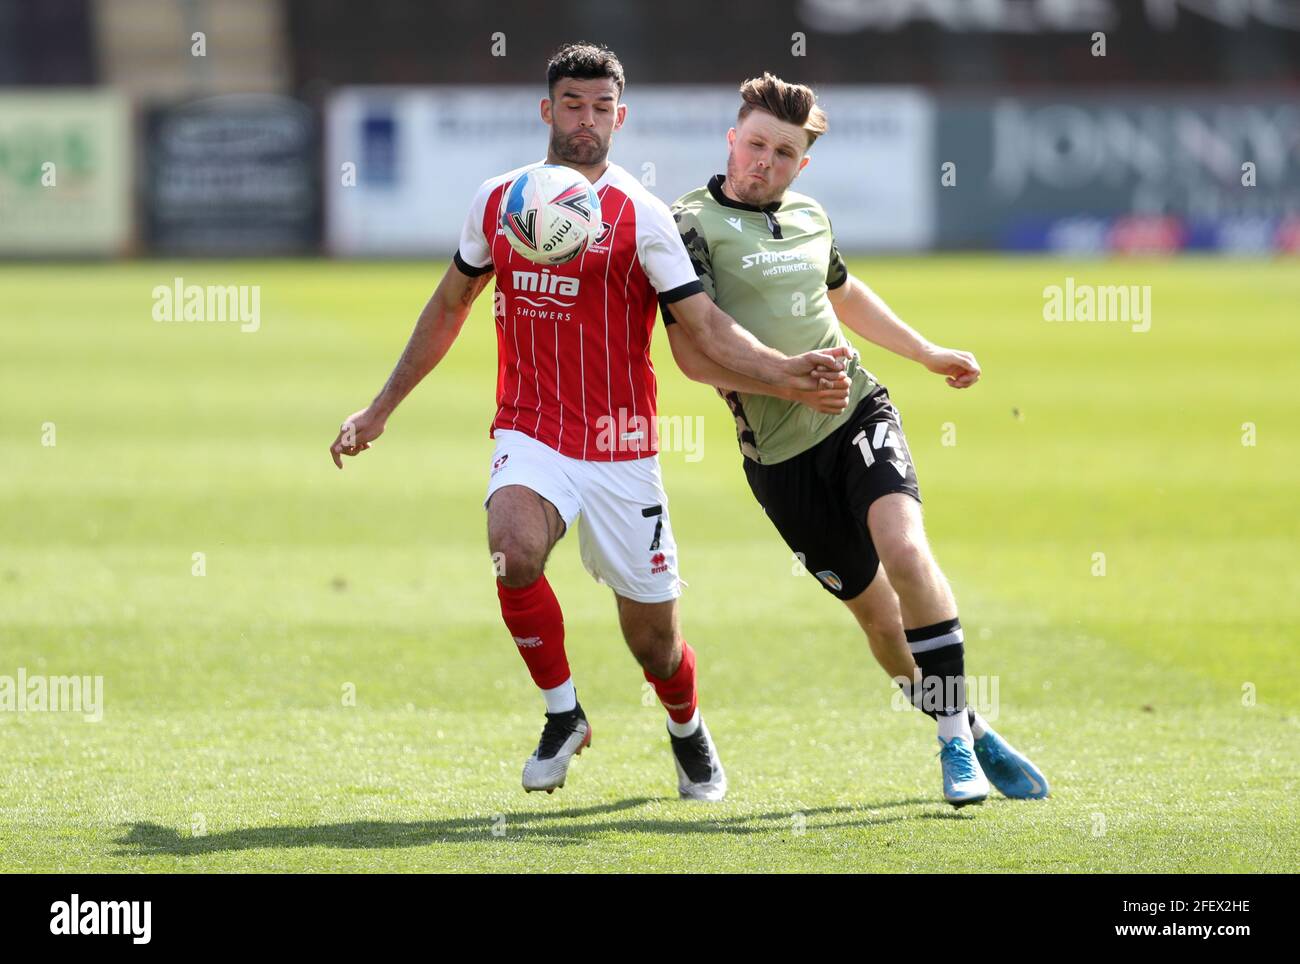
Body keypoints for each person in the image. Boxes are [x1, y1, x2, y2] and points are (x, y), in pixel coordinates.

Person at [328, 48, 849, 801]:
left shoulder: (642, 215)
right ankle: (563, 713)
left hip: (620, 447)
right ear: (547, 111)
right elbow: (449, 306)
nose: (586, 120)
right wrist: (379, 410)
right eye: (572, 104)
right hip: (530, 429)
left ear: (621, 117)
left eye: (601, 107)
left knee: (656, 644)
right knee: (512, 550)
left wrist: (786, 373)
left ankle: (685, 728)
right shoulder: (499, 200)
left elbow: (702, 326)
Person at [663, 73, 1049, 806]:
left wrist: (927, 352)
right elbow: (690, 353)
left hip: (856, 413)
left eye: (783, 153)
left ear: (801, 164)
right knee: (877, 620)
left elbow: (842, 292)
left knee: (906, 548)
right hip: (779, 460)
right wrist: (784, 383)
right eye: (754, 145)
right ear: (730, 139)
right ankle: (966, 719)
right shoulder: (686, 227)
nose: (764, 162)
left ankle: (953, 746)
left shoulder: (809, 213)